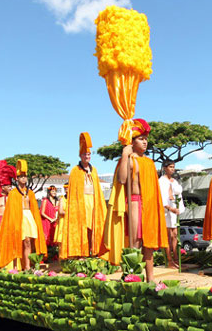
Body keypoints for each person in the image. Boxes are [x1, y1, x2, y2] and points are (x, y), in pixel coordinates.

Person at [102, 119, 168, 283]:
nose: (145, 141)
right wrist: (125, 154)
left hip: (150, 205)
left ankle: (150, 278)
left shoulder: (149, 162)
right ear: (131, 140)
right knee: (135, 243)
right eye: (140, 138)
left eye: (146, 138)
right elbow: (122, 179)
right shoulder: (129, 160)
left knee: (149, 244)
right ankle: (131, 276)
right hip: (134, 202)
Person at [0, 159, 47, 270]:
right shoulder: (13, 193)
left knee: (29, 241)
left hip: (29, 217)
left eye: (25, 176)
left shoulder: (31, 193)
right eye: (21, 176)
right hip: (18, 218)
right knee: (17, 241)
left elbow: (34, 209)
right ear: (17, 178)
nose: (24, 178)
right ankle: (15, 266)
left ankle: (27, 266)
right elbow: (10, 211)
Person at [61, 133, 107, 259]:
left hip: (93, 201)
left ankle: (94, 252)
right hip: (81, 202)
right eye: (85, 154)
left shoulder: (95, 170)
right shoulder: (75, 171)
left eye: (89, 154)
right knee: (84, 227)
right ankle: (83, 253)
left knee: (94, 227)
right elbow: (73, 191)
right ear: (80, 156)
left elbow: (98, 189)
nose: (87, 156)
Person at [159, 160, 185, 268]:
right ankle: (169, 260)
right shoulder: (161, 181)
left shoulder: (174, 181)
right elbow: (161, 197)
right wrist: (169, 208)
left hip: (174, 209)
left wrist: (177, 208)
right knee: (168, 236)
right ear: (165, 168)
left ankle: (176, 259)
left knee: (175, 235)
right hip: (166, 211)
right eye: (170, 167)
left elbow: (178, 194)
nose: (172, 169)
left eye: (173, 167)